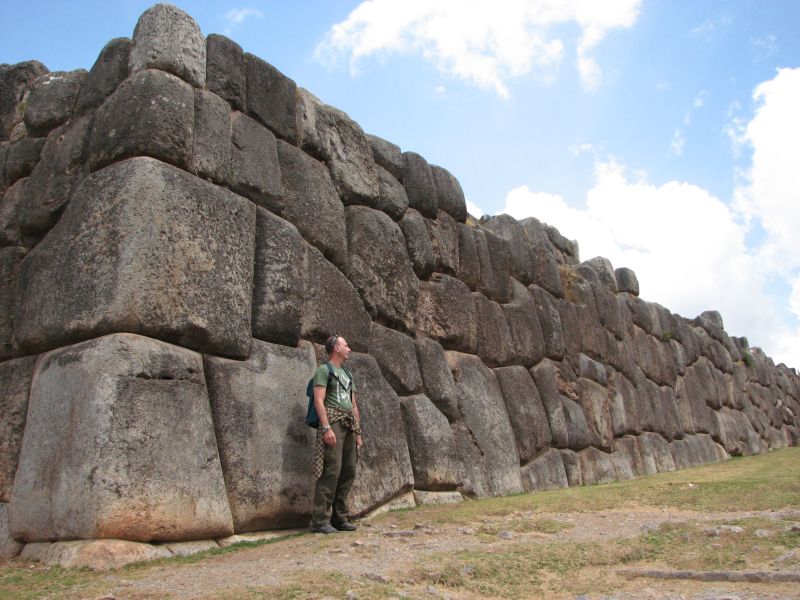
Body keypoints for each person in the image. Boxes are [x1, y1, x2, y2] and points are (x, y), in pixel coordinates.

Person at [309, 334, 363, 533]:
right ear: (336, 349)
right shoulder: (324, 371)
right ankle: (319, 521)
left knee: (349, 470)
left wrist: (358, 433)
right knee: (331, 471)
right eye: (346, 345)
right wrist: (326, 428)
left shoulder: (347, 374)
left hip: (349, 425)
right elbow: (318, 401)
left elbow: (354, 405)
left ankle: (340, 518)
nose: (349, 348)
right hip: (333, 424)